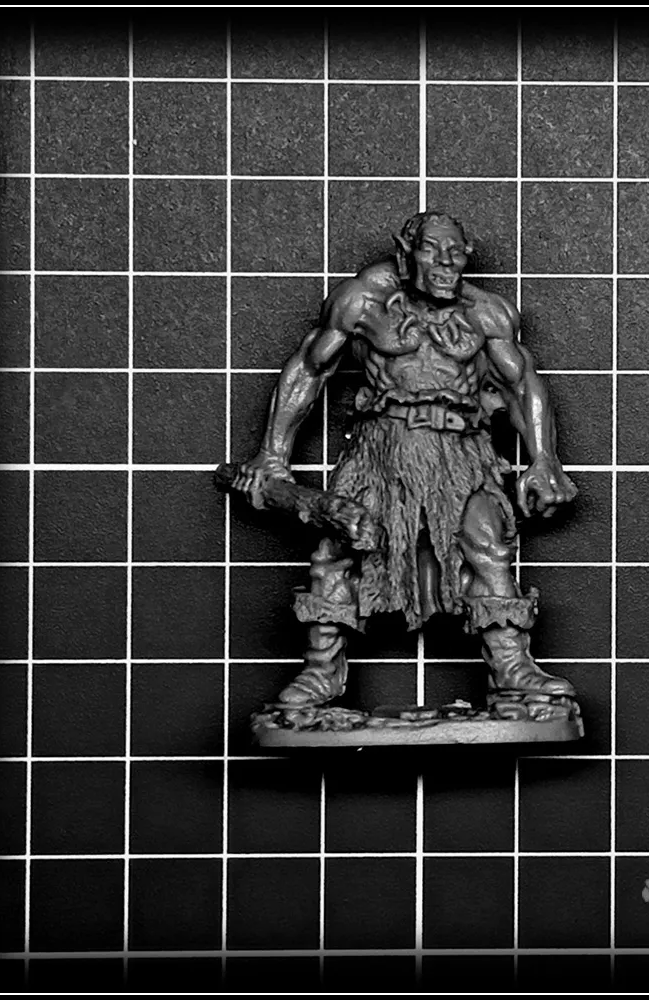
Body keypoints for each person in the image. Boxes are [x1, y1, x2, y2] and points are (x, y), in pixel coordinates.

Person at [234, 211, 578, 715]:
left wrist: (545, 459)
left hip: (460, 450)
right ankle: (321, 670)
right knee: (338, 549)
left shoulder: (487, 313)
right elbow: (309, 369)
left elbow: (522, 385)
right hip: (381, 448)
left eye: (456, 252)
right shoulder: (363, 301)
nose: (446, 262)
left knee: (487, 543)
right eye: (432, 250)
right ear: (406, 251)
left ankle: (511, 667)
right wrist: (273, 454)